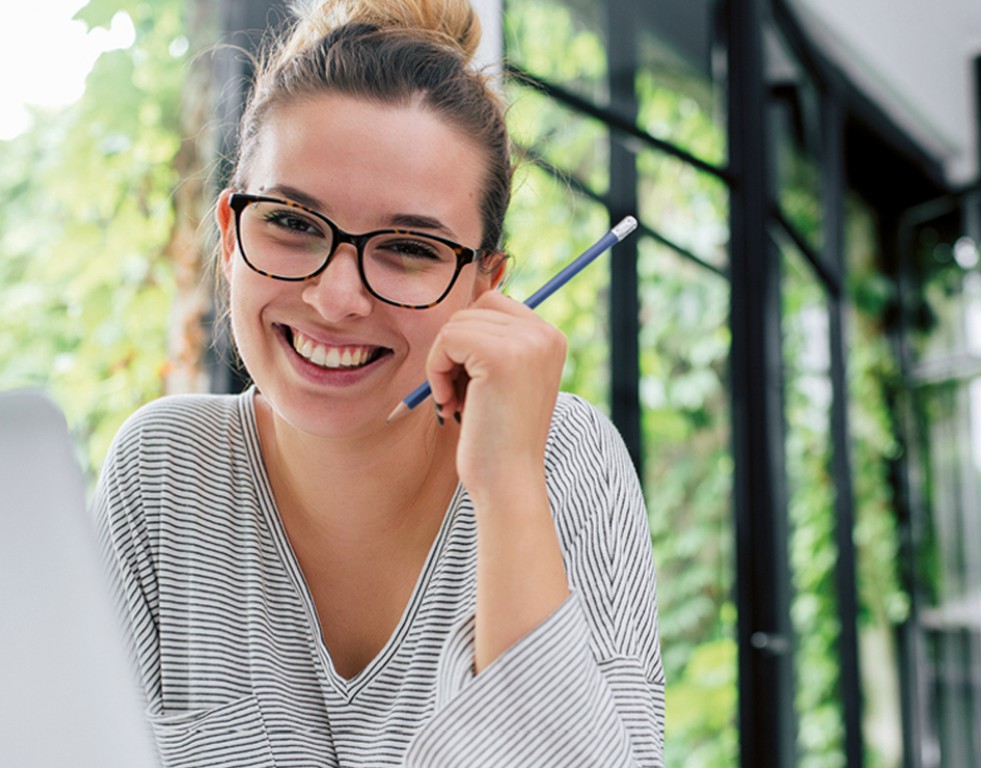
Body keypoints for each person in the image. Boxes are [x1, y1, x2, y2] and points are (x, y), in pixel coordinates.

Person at [92, 0, 665, 765]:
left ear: (484, 286)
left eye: (407, 247)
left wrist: (509, 488)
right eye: (293, 224)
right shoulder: (162, 472)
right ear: (230, 235)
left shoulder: (564, 459)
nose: (335, 299)